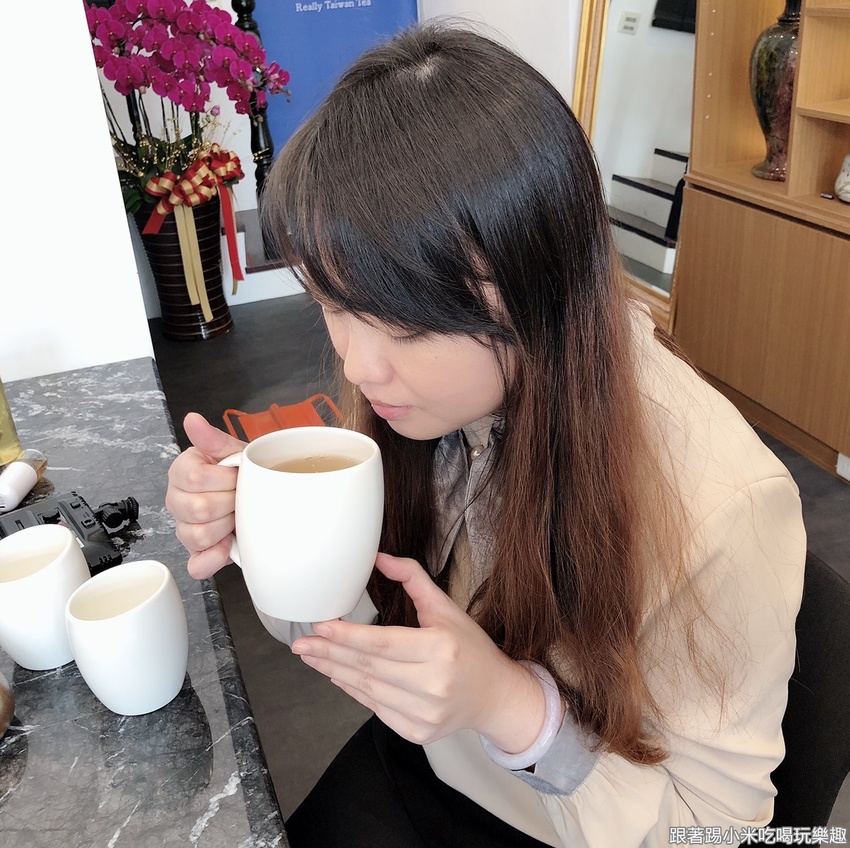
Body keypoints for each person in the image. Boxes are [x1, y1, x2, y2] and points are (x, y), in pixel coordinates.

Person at [166, 23, 806, 848]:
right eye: (330, 305)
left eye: (402, 323)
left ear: (535, 281)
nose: (357, 364)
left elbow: (719, 834)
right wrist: (270, 536)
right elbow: (365, 636)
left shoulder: (723, 506)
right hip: (428, 761)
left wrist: (515, 707)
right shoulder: (432, 396)